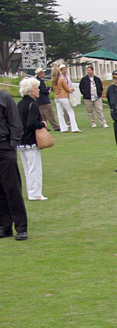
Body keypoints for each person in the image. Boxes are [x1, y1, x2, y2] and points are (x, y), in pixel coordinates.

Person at [0, 86, 28, 240]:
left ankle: (21, 227)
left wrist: (12, 144)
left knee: (12, 188)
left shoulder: (5, 98)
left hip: (5, 148)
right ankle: (4, 226)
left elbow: (15, 122)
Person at [16, 76, 47, 201]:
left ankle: (31, 191)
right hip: (31, 140)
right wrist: (42, 124)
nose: (38, 90)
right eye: (36, 89)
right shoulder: (32, 105)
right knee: (34, 168)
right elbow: (31, 123)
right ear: (30, 90)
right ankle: (35, 193)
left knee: (27, 168)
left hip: (21, 140)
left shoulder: (20, 104)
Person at [53, 64, 81, 133]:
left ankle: (63, 128)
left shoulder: (53, 80)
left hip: (56, 97)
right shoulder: (61, 79)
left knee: (60, 113)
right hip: (63, 96)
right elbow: (67, 89)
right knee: (70, 111)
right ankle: (74, 128)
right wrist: (71, 89)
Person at [34, 67, 58, 131]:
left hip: (38, 100)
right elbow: (44, 91)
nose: (44, 73)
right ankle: (56, 127)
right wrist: (49, 90)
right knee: (50, 114)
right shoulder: (41, 81)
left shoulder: (35, 81)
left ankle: (44, 126)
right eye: (43, 72)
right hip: (44, 100)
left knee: (42, 115)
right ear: (40, 74)